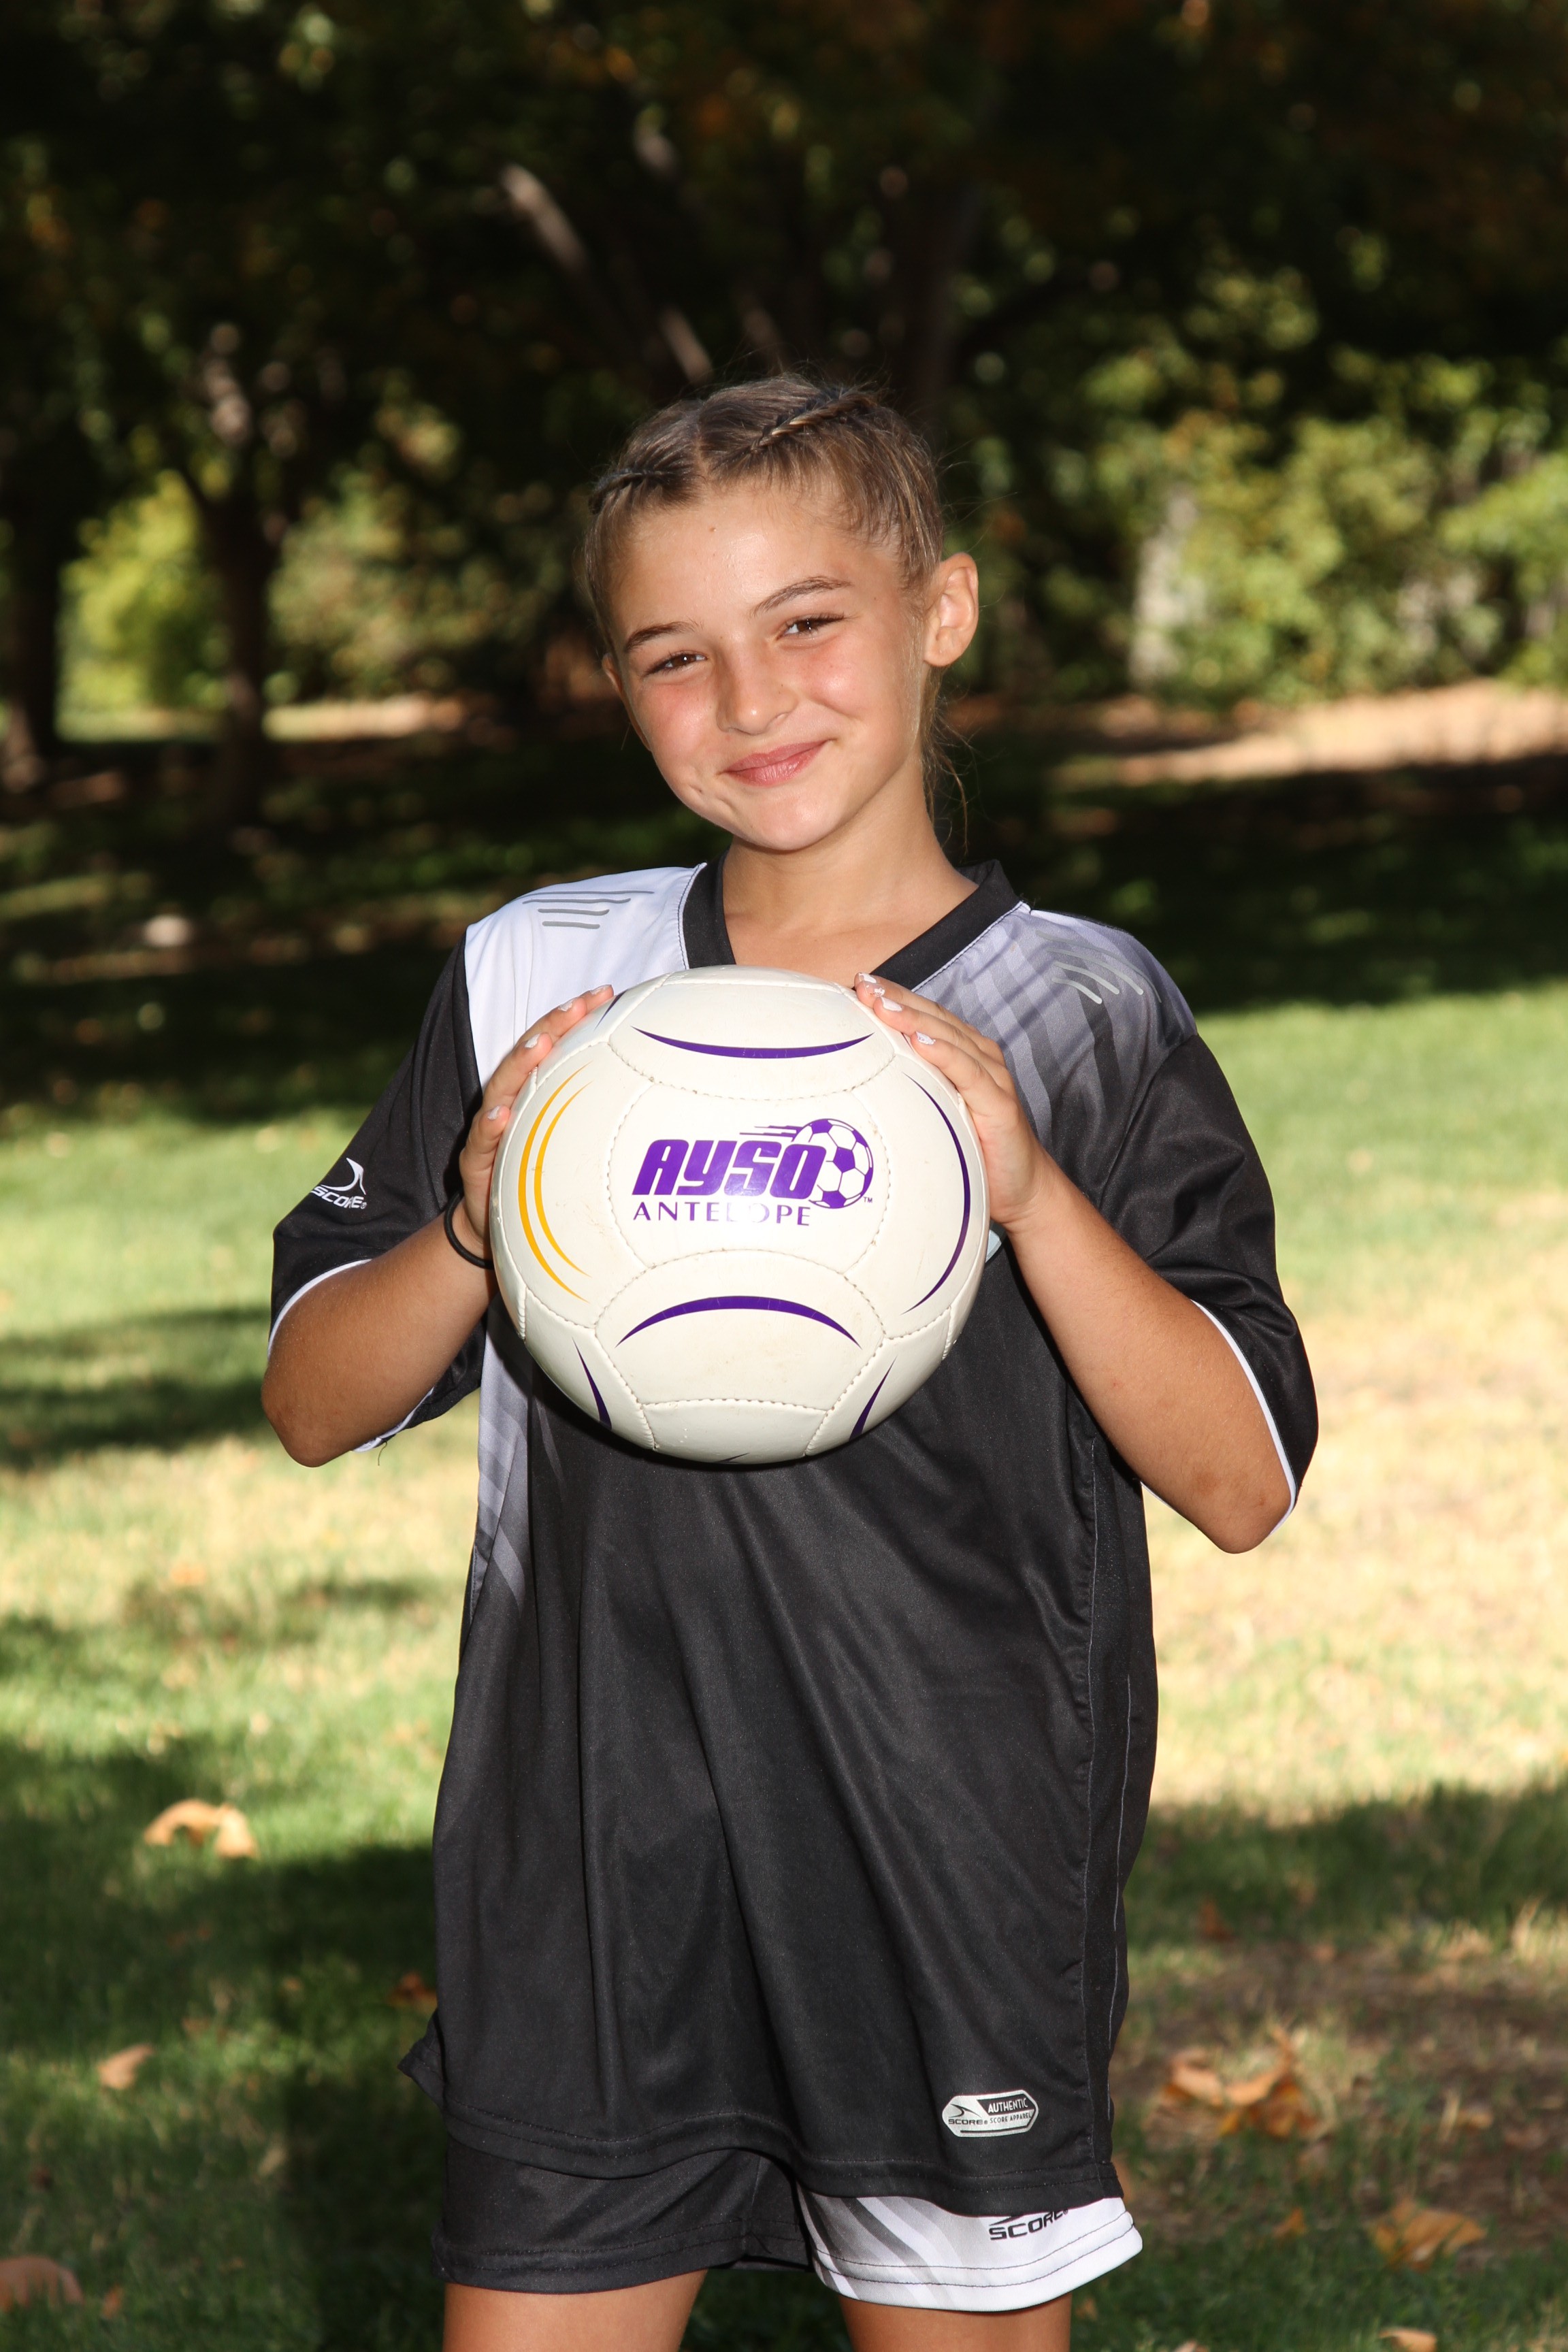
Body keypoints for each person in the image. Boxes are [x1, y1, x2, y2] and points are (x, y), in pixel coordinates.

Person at [263, 376, 1316, 2352]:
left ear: (943, 610)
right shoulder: (540, 981)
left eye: (808, 623)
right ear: (617, 683)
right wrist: (478, 1226)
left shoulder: (1079, 1010)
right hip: (587, 1851)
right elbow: (315, 1398)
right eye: (676, 656)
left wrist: (1030, 1194)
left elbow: (1242, 1478)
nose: (752, 701)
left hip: (941, 1849)